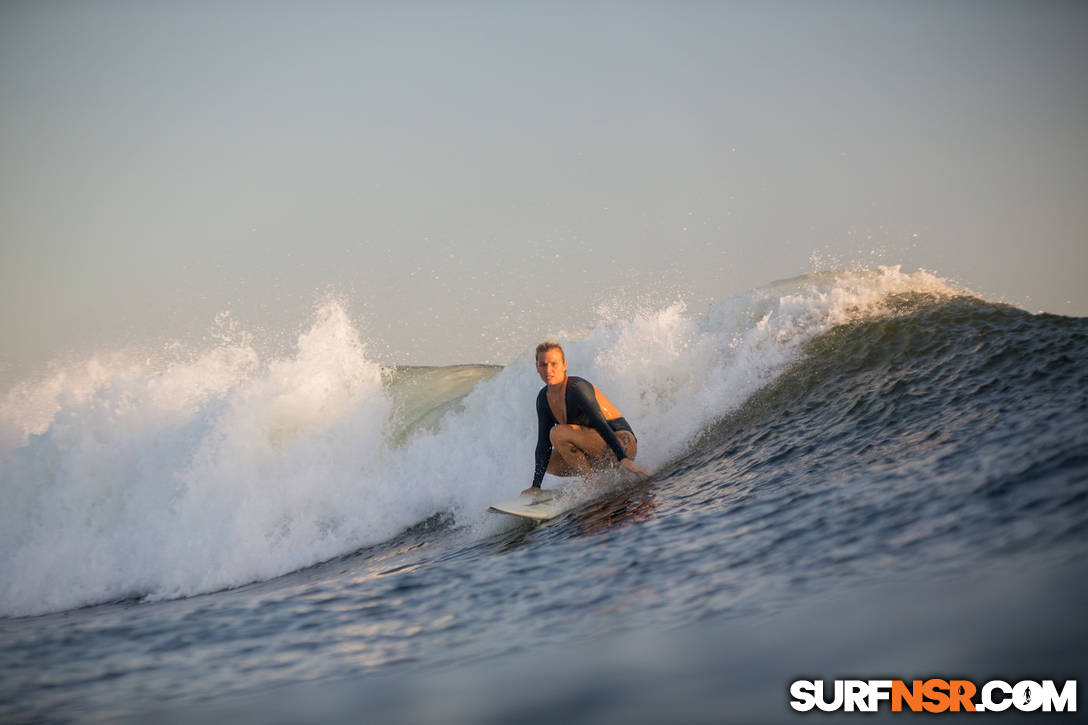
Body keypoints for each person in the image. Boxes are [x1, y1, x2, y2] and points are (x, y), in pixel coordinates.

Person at [523, 341, 650, 495]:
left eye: (554, 364)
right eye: (543, 365)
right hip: (596, 453)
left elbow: (600, 424)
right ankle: (594, 479)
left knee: (557, 433)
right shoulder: (543, 399)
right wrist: (536, 485)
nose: (548, 370)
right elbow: (543, 443)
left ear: (564, 365)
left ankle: (591, 483)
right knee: (547, 461)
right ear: (537, 367)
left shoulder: (577, 388)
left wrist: (623, 458)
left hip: (621, 443)